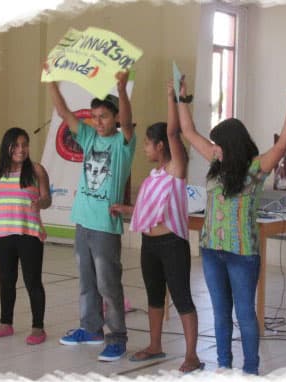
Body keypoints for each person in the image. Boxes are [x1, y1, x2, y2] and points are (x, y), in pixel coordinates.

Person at [175, 78, 286, 375]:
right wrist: (182, 100)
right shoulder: (216, 160)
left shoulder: (255, 168)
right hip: (211, 250)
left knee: (244, 313)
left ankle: (251, 369)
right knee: (220, 313)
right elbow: (189, 132)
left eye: (218, 143)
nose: (214, 147)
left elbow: (282, 145)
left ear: (231, 144)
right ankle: (224, 365)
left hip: (242, 253)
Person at [110, 81, 203, 373]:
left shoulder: (177, 169)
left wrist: (172, 97)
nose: (146, 148)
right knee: (153, 295)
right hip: (150, 245)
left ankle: (191, 355)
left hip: (172, 244)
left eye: (149, 143)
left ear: (160, 145)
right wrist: (126, 210)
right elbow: (151, 209)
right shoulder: (154, 176)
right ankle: (155, 345)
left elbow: (174, 132)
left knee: (182, 297)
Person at [48, 71, 135, 361]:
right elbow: (63, 111)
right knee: (86, 282)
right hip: (82, 221)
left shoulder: (122, 144)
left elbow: (126, 118)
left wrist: (122, 90)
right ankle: (91, 328)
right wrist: (50, 80)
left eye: (105, 117)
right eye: (95, 116)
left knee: (108, 284)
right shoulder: (87, 137)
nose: (98, 122)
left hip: (105, 228)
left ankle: (117, 337)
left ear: (116, 119)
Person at [0, 127, 51, 346]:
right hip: (4, 234)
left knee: (32, 282)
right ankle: (5, 324)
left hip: (29, 234)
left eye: (25, 144)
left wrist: (41, 202)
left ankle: (38, 327)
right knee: (6, 281)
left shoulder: (37, 170)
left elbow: (48, 198)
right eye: (16, 145)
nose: (21, 149)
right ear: (7, 147)